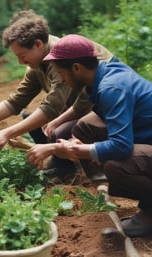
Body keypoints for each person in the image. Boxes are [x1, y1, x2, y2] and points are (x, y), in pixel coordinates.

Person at [0, 10, 114, 179]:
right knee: (31, 119)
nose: (20, 62)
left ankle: (91, 172)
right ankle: (60, 160)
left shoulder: (61, 58)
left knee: (58, 129)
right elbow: (16, 101)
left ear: (38, 44)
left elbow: (52, 107)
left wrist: (7, 133)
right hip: (81, 108)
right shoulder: (38, 63)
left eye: (22, 55)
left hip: (106, 112)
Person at [28, 34, 152, 237]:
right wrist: (85, 147)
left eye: (62, 74)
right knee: (86, 127)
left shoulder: (111, 87)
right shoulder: (106, 75)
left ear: (76, 67)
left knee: (116, 164)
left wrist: (60, 148)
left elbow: (121, 146)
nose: (62, 80)